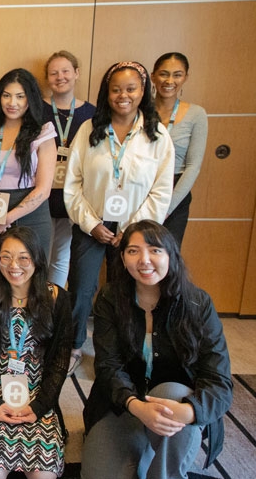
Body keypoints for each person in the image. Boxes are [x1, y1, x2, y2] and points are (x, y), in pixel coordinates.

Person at [81, 220, 232, 479]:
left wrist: (189, 411)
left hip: (173, 407)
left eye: (155, 250)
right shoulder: (109, 298)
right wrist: (138, 407)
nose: (144, 260)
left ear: (171, 255)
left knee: (173, 394)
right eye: (133, 251)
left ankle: (161, 468)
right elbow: (108, 366)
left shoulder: (198, 303)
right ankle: (143, 446)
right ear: (122, 258)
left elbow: (219, 382)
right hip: (124, 404)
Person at [64, 61, 174, 376]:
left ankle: (119, 352)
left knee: (125, 292)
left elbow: (161, 191)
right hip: (92, 225)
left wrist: (132, 232)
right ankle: (74, 347)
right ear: (106, 93)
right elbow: (73, 184)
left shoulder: (157, 135)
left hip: (135, 232)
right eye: (116, 89)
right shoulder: (90, 130)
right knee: (82, 290)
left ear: (143, 92)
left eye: (130, 89)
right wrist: (91, 224)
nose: (122, 96)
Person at [0, 226, 72, 479]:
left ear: (37, 259)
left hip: (38, 391)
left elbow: (60, 360)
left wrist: (40, 406)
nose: (14, 265)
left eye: (23, 257)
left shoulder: (56, 298)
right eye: (5, 257)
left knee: (44, 474)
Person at [0, 68, 56, 290]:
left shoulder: (43, 132)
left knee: (28, 289)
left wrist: (7, 218)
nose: (13, 102)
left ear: (31, 99)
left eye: (20, 96)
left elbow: (44, 189)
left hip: (31, 215)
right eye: (7, 95)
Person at [43, 51, 96, 288]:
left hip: (73, 194)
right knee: (40, 252)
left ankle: (55, 302)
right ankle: (37, 304)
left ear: (77, 73)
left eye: (65, 71)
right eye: (53, 73)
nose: (60, 77)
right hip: (41, 193)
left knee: (62, 255)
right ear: (47, 78)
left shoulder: (91, 114)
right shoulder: (37, 109)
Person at [152, 53, 208, 248]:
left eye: (177, 75)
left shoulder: (196, 114)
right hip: (141, 186)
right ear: (153, 77)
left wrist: (167, 207)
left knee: (166, 256)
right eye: (164, 74)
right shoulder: (139, 111)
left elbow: (193, 166)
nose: (169, 81)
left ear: (185, 78)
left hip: (175, 191)